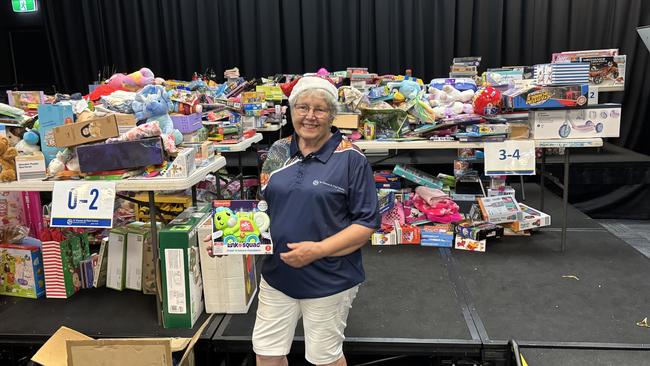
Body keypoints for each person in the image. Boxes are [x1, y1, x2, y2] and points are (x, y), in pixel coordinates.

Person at [253, 76, 380, 366]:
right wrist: (229, 238)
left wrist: (318, 250)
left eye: (320, 109)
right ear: (291, 110)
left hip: (330, 279)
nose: (310, 116)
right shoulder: (277, 152)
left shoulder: (351, 159)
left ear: (332, 115)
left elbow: (365, 225)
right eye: (302, 107)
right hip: (277, 276)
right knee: (267, 353)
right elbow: (262, 210)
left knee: (324, 358)